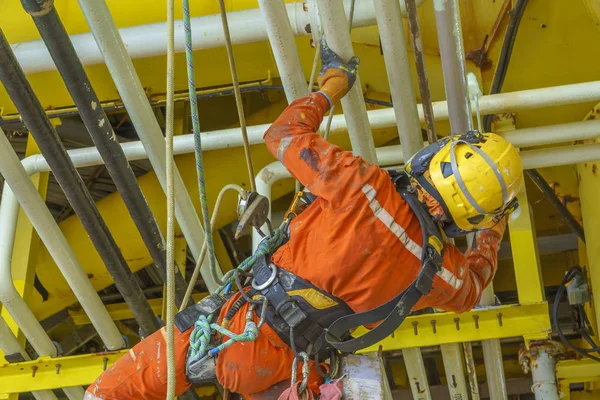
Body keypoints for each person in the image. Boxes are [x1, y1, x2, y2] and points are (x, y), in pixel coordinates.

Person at [84, 40, 523, 400]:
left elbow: (284, 135)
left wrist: (333, 85)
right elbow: (473, 286)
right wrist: (494, 229)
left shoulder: (362, 187)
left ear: (434, 158)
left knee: (103, 395)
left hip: (237, 331)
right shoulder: (441, 269)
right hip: (294, 376)